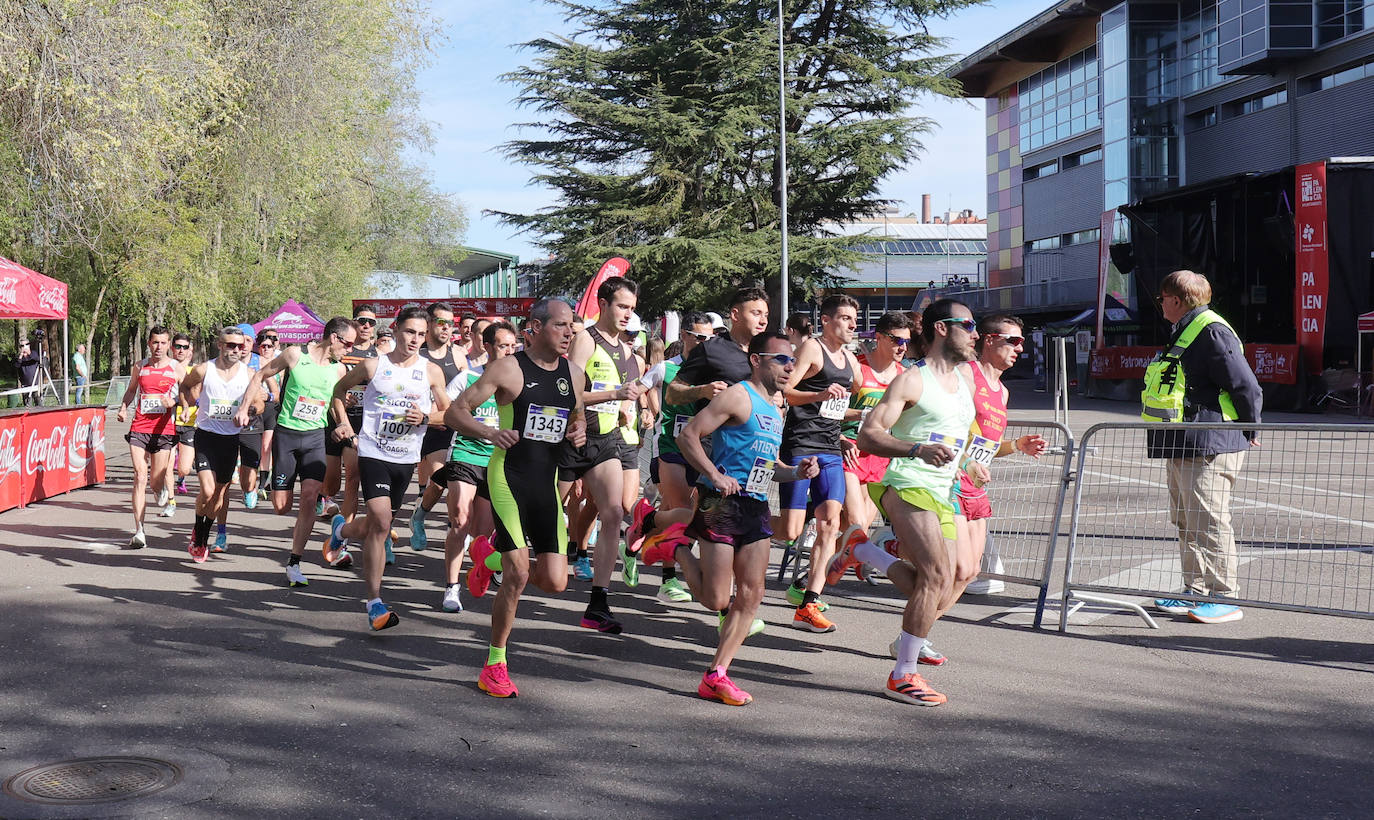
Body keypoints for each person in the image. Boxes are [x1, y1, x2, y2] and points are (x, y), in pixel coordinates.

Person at [636, 331, 818, 705]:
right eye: (781, 360)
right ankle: (674, 546)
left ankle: (716, 673)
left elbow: (770, 464)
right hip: (719, 502)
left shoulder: (777, 405)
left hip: (755, 505)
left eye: (793, 361)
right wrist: (715, 475)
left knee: (752, 594)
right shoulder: (738, 395)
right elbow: (690, 435)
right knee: (715, 598)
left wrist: (796, 471)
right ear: (756, 360)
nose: (789, 367)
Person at [445, 298, 586, 698]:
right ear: (535, 328)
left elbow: (575, 414)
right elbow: (456, 412)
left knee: (556, 582)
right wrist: (490, 434)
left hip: (546, 483)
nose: (569, 333)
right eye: (560, 325)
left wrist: (578, 430)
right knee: (519, 574)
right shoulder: (508, 368)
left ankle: (486, 557)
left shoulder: (574, 374)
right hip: (508, 477)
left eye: (571, 326)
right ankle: (495, 663)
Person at [852, 298, 979, 706]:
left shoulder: (967, 381)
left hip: (944, 491)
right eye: (968, 324)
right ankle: (903, 674)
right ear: (942, 328)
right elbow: (869, 435)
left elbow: (961, 437)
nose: (975, 333)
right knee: (937, 574)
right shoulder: (912, 380)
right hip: (908, 483)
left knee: (949, 579)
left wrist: (972, 464)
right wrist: (915, 450)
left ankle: (865, 551)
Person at [1144, 270, 1262, 625]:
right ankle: (1194, 589)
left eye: (1162, 298)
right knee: (1186, 520)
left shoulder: (1210, 330)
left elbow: (1245, 383)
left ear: (1176, 300)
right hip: (1187, 441)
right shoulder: (1189, 329)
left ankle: (1224, 595)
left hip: (1209, 442)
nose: (1160, 305)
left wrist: (1250, 426)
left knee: (1209, 521)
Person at [325, 306, 450, 631]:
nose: (415, 339)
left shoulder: (431, 371)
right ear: (395, 330)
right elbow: (338, 392)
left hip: (406, 459)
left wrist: (424, 418)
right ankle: (374, 602)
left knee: (377, 527)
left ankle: (340, 531)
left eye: (421, 334)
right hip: (372, 453)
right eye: (410, 332)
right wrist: (343, 425)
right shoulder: (373, 365)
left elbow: (448, 414)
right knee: (380, 521)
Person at [237, 317, 357, 586]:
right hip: (287, 437)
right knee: (282, 507)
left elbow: (336, 402)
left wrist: (344, 425)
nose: (350, 350)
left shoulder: (339, 370)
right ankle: (318, 516)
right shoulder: (294, 354)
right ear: (334, 338)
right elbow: (259, 375)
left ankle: (294, 562)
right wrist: (244, 408)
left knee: (310, 497)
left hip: (315, 437)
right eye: (348, 344)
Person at [558, 275, 646, 634]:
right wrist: (612, 397)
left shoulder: (627, 352)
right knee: (546, 512)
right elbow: (568, 390)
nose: (627, 314)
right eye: (622, 307)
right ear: (604, 305)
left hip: (605, 442)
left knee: (613, 513)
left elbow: (625, 393)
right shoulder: (585, 339)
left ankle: (598, 601)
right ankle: (495, 552)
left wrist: (633, 405)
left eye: (632, 309)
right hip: (571, 438)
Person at [777, 293, 862, 633]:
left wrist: (863, 418)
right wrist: (820, 394)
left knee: (829, 522)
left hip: (829, 447)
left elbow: (838, 407)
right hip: (801, 444)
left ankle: (809, 602)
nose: (852, 324)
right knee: (790, 531)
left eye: (854, 319)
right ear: (826, 321)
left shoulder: (850, 360)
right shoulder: (812, 349)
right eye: (844, 318)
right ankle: (722, 519)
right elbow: (786, 391)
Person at [434, 320, 517, 613]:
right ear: (488, 346)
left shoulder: (518, 385)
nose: (509, 351)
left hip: (497, 463)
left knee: (481, 535)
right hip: (466, 454)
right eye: (503, 345)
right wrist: (486, 431)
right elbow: (448, 417)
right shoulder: (467, 378)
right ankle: (451, 587)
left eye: (512, 346)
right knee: (460, 519)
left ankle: (480, 567)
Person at [642, 310, 715, 603]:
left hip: (704, 453)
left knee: (699, 517)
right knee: (680, 510)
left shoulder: (717, 371)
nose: (703, 343)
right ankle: (668, 580)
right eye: (698, 337)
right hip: (671, 448)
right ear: (684, 335)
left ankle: (645, 522)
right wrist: (647, 407)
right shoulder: (666, 369)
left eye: (709, 338)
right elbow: (641, 386)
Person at [834, 311, 911, 570]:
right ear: (879, 338)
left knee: (857, 530)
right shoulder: (857, 368)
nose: (902, 347)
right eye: (896, 340)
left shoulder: (905, 375)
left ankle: (812, 577)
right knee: (856, 522)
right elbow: (832, 411)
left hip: (880, 454)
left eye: (906, 341)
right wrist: (842, 437)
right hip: (851, 449)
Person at [180, 326, 263, 562]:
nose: (235, 350)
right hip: (206, 436)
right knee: (206, 490)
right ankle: (198, 532)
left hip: (230, 440)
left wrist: (249, 411)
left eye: (239, 346)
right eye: (230, 345)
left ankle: (203, 536)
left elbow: (260, 403)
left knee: (218, 494)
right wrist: (187, 406)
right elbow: (185, 386)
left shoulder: (248, 375)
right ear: (220, 345)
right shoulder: (205, 369)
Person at [116, 326, 185, 548]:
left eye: (164, 343)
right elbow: (131, 389)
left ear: (169, 345)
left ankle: (161, 488)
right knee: (139, 476)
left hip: (164, 430)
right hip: (139, 427)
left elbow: (187, 395)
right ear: (149, 343)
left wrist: (175, 403)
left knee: (156, 478)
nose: (159, 347)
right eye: (155, 342)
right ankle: (139, 531)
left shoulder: (176, 368)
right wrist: (124, 407)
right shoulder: (140, 366)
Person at [409, 301, 466, 548]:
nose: (447, 328)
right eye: (441, 322)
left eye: (450, 324)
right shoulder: (416, 353)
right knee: (438, 481)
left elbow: (468, 393)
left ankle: (458, 531)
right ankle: (412, 519)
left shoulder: (458, 355)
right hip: (417, 425)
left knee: (449, 480)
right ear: (429, 323)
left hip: (446, 427)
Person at [322, 304, 379, 525]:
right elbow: (325, 380)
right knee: (331, 482)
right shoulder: (342, 349)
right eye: (362, 321)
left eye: (371, 322)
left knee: (353, 478)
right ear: (353, 323)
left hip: (360, 422)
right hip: (332, 419)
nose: (366, 325)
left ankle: (343, 530)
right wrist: (336, 395)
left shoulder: (379, 356)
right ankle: (325, 497)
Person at [166, 333, 197, 509]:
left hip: (188, 422)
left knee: (184, 468)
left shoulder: (194, 371)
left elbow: (197, 396)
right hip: (168, 421)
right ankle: (170, 499)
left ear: (189, 350)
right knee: (167, 464)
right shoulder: (166, 368)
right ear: (172, 347)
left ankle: (181, 478)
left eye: (185, 347)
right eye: (178, 346)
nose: (181, 350)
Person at [17, 339, 40, 405]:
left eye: (26, 344)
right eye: (22, 345)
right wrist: (21, 356)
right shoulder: (19, 357)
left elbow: (38, 359)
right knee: (27, 405)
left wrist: (29, 353)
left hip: (35, 384)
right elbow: (17, 365)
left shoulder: (34, 353)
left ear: (29, 345)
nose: (24, 347)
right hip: (25, 385)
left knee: (38, 403)